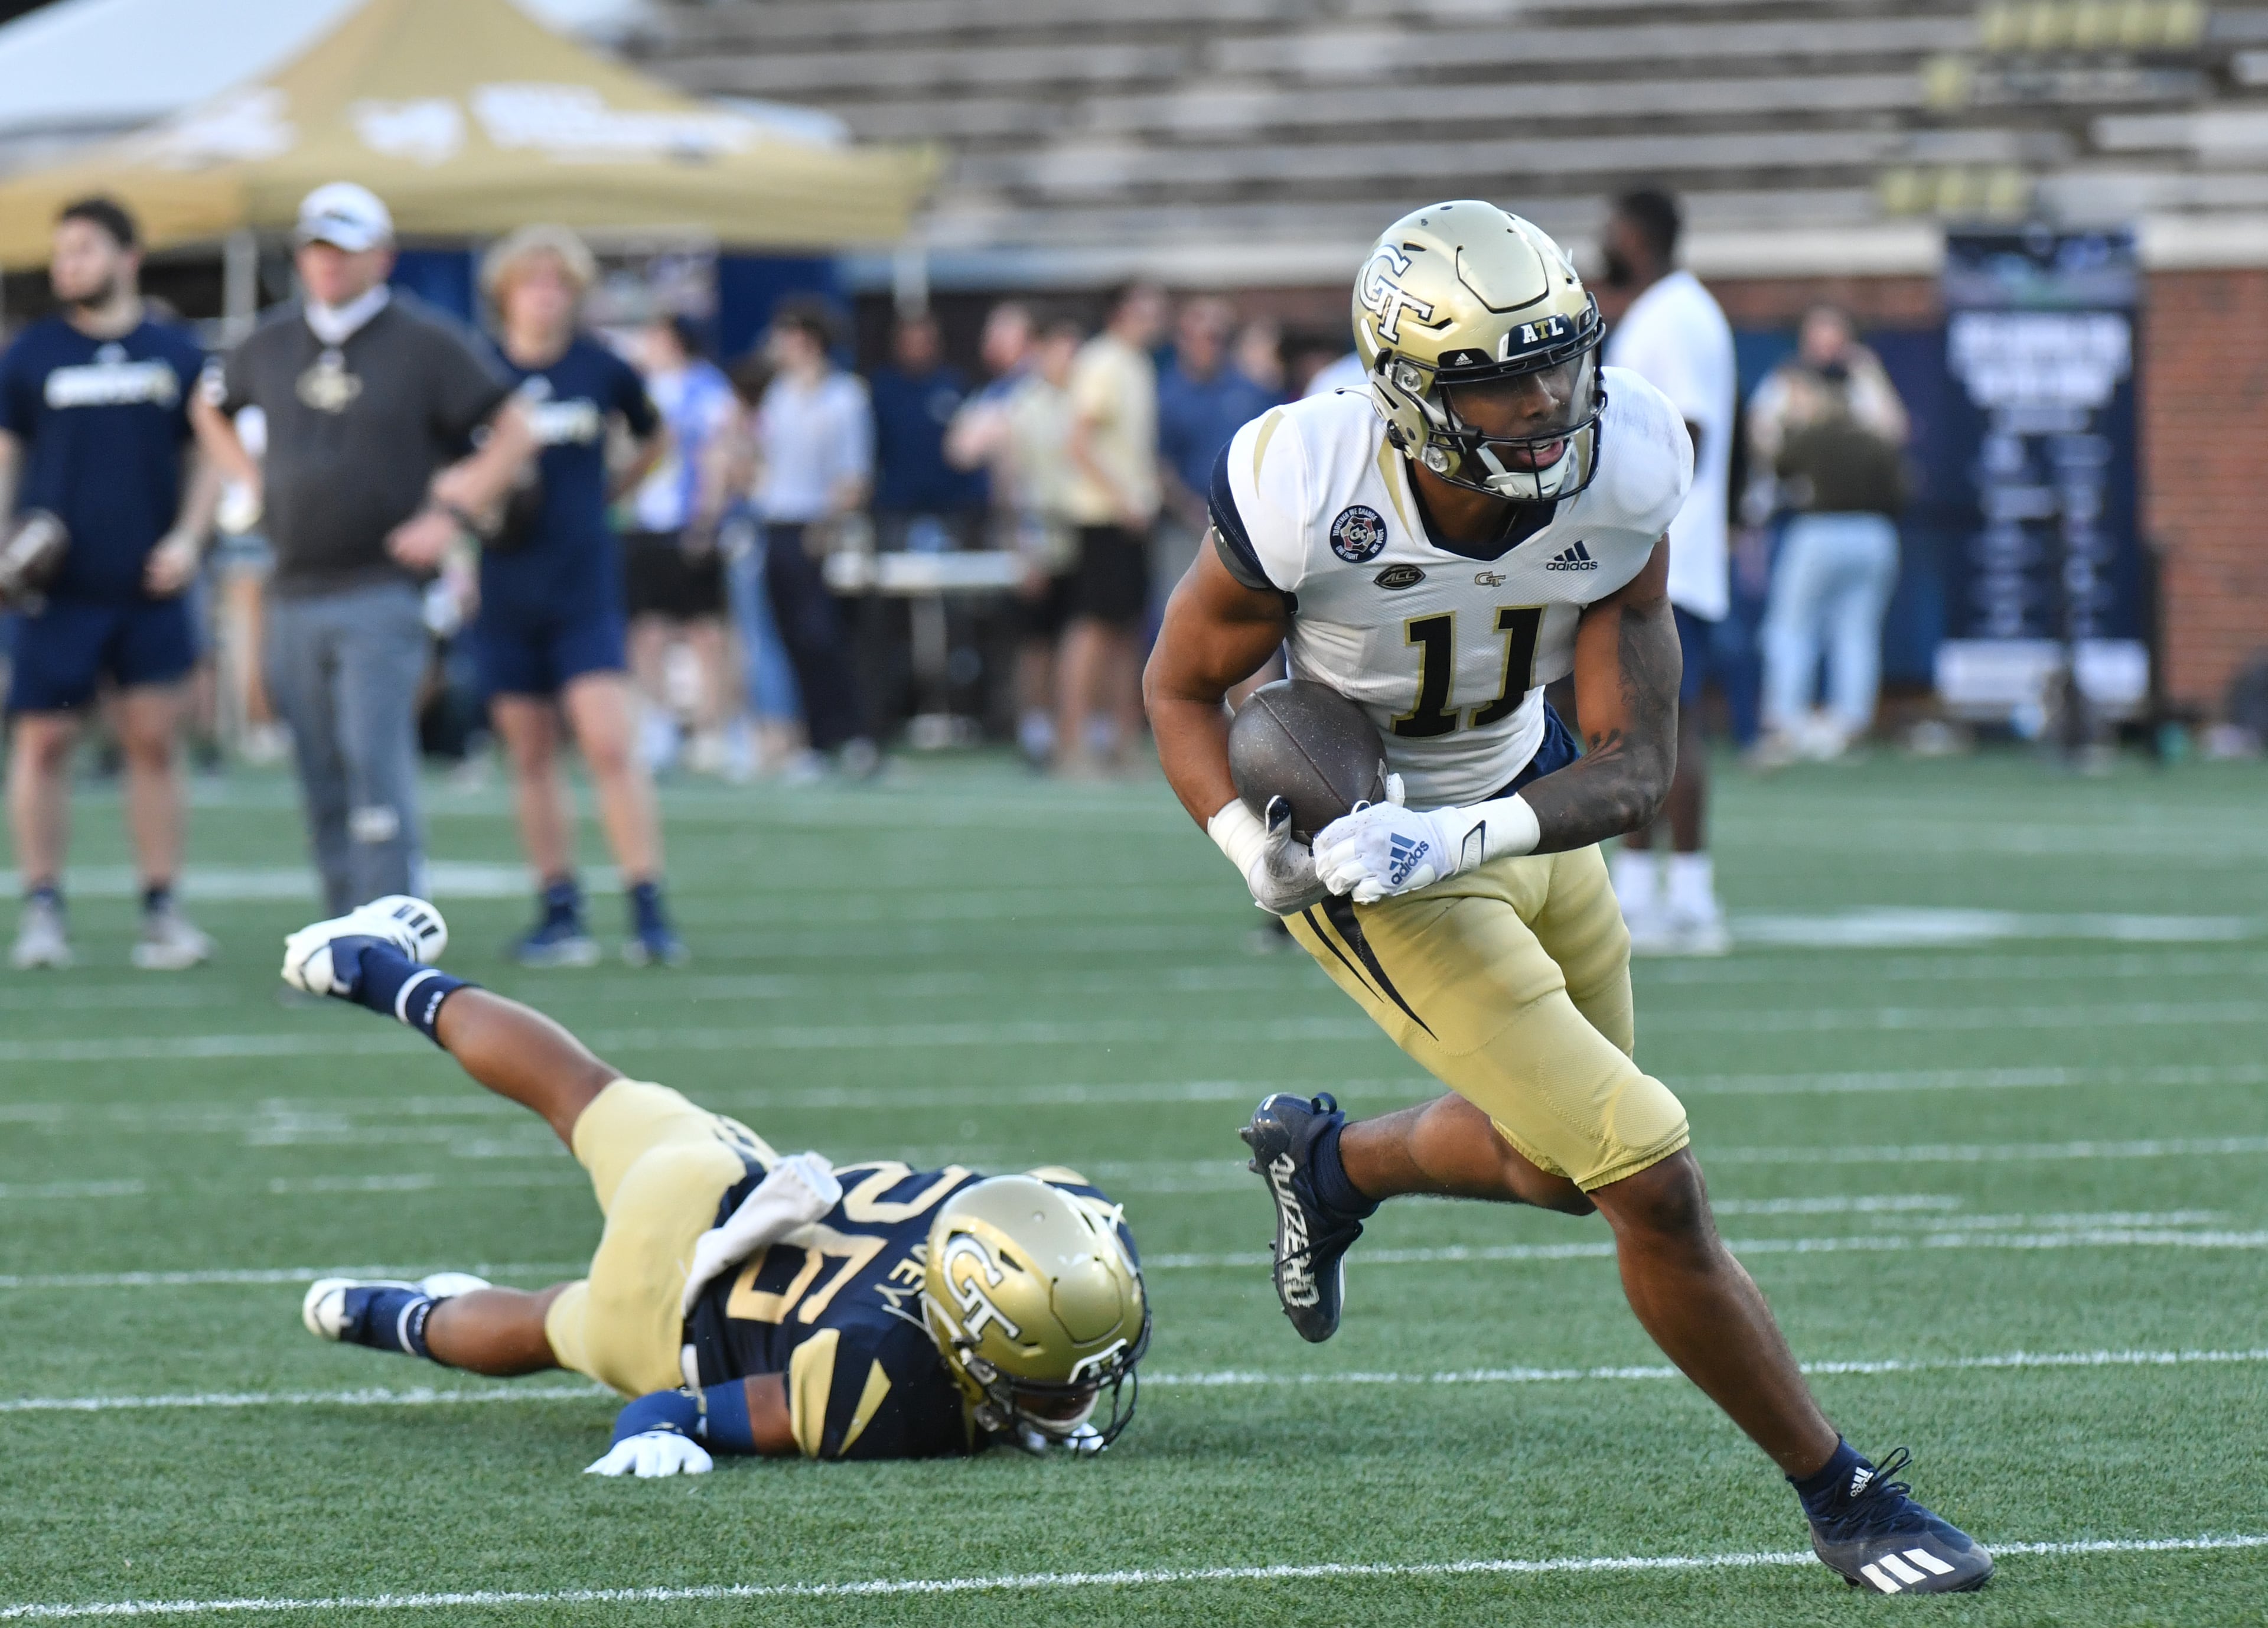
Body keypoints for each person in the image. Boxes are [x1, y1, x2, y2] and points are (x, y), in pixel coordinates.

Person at [1143, 201, 1990, 1596]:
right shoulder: (1305, 475)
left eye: (1557, 359)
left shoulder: (1632, 454)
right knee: (1646, 1172)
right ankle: (1841, 1493)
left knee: (1550, 1167)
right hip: (1369, 855)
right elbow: (1179, 687)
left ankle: (1332, 1162)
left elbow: (1634, 764)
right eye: (1496, 375)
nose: (1543, 402)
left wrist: (1469, 829)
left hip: (1517, 811)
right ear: (1407, 389)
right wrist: (1250, 845)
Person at [278, 893, 1149, 1467]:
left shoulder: (1057, 1220)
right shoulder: (898, 1392)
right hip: (668, 1317)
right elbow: (681, 1409)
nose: (1082, 1396)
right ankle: (373, 1315)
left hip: (712, 1181)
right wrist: (655, 1432)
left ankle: (365, 966)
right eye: (1055, 1381)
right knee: (550, 1324)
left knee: (577, 1089)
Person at [192, 183, 536, 917]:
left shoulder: (426, 341)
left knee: (373, 759)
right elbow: (209, 405)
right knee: (318, 769)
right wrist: (250, 484)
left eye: (344, 251)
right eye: (317, 249)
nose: (328, 265)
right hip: (291, 582)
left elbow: (513, 428)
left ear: (382, 258)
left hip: (381, 583)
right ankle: (343, 923)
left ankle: (386, 931)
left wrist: (449, 512)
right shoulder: (270, 340)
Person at [0, 196, 219, 971]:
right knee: (45, 741)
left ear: (129, 256)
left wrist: (191, 539)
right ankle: (43, 909)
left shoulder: (175, 350)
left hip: (147, 586)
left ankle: (162, 909)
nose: (70, 265)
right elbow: (7, 456)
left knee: (154, 742)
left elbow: (208, 455)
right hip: (56, 590)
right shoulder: (31, 354)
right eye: (63, 253)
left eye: (86, 250)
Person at [474, 227, 681, 968]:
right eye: (533, 281)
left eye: (559, 282)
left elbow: (655, 436)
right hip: (505, 580)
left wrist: (610, 493)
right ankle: (558, 904)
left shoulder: (600, 367)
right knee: (529, 751)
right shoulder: (479, 367)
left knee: (608, 741)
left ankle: (647, 901)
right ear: (506, 292)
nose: (546, 295)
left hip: (582, 580)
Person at [1598, 187, 1737, 956]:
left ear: (1635, 234)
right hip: (1657, 556)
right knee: (1636, 728)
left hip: (1669, 560)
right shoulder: (1663, 310)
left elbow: (1691, 432)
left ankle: (1688, 896)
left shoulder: (1677, 314)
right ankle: (1642, 890)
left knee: (1670, 729)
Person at [1748, 306, 1911, 763]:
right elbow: (1763, 440)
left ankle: (1827, 725)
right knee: (1829, 630)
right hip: (1830, 525)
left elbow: (1895, 434)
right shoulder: (1790, 381)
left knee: (1821, 630)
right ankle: (1801, 724)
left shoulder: (1860, 381)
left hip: (1836, 526)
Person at [750, 302, 877, 779]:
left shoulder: (844, 397)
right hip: (777, 523)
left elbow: (853, 474)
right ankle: (815, 739)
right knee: (792, 640)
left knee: (826, 637)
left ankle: (854, 734)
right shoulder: (779, 394)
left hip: (817, 528)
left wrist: (827, 526)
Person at [624, 315, 741, 780]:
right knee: (646, 631)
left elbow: (719, 452)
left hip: (686, 523)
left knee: (704, 630)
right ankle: (658, 725)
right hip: (642, 524)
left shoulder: (706, 389)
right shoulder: (638, 388)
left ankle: (712, 729)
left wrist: (707, 517)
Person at [1058, 282, 1167, 776]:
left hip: (1133, 516)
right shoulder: (1101, 361)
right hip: (1104, 515)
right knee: (1094, 628)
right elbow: (1078, 442)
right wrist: (1125, 499)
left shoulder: (1137, 363)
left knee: (1128, 629)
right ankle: (1073, 742)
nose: (1158, 315)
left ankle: (1123, 743)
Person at [1157, 297, 1279, 588]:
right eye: (1203, 337)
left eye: (1218, 338)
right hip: (1186, 525)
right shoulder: (1167, 394)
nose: (1211, 346)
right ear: (1183, 340)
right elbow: (1160, 465)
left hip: (1245, 521)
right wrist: (1192, 510)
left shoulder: (1250, 389)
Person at [868, 312, 984, 555]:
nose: (917, 349)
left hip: (950, 508)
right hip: (897, 507)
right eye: (910, 342)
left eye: (924, 342)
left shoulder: (953, 385)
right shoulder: (883, 391)